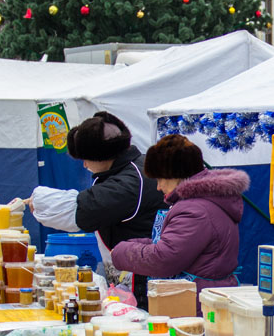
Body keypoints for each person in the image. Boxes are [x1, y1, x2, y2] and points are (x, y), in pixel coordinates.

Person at [111, 135, 247, 313]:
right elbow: (169, 244)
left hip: (196, 307)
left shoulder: (195, 210)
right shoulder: (201, 203)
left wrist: (121, 253)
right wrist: (129, 245)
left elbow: (164, 259)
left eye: (160, 179)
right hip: (202, 299)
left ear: (175, 175)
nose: (158, 187)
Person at [67, 111, 165, 308]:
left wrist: (41, 201)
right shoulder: (126, 169)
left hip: (144, 276)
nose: (85, 165)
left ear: (102, 155)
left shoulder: (131, 179)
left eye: (86, 158)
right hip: (129, 269)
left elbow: (86, 211)